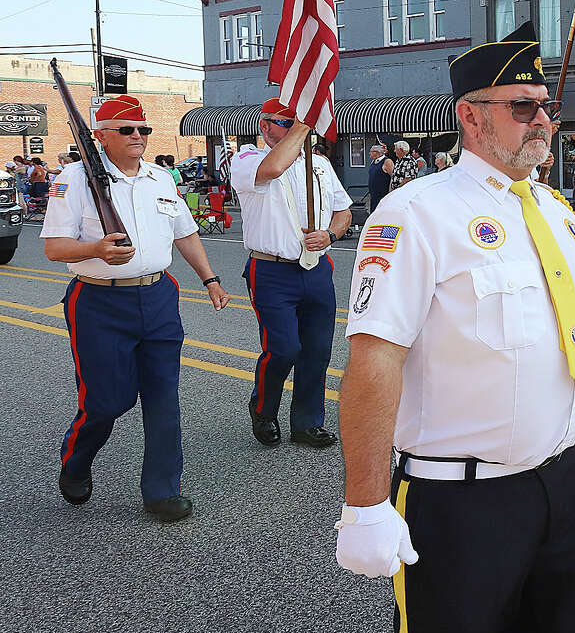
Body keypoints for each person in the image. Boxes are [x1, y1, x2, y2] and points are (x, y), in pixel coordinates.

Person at [335, 21, 575, 633]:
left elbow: (569, 327)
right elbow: (374, 359)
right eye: (521, 107)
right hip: (463, 502)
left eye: (544, 106)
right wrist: (366, 502)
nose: (543, 120)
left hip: (566, 483)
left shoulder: (555, 210)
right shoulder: (416, 213)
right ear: (471, 117)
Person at [40, 94, 230, 521]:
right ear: (100, 136)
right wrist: (96, 248)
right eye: (127, 130)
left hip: (159, 296)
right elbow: (54, 247)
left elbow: (185, 233)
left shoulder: (160, 178)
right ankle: (76, 461)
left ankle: (163, 491)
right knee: (107, 401)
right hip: (99, 301)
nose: (139, 137)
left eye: (143, 129)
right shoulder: (75, 179)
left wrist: (210, 279)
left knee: (163, 397)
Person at [230, 98, 352, 450]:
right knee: (283, 348)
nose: (295, 131)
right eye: (285, 124)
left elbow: (343, 211)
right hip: (272, 269)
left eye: (296, 125)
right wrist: (304, 122)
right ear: (265, 126)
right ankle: (264, 407)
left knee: (317, 352)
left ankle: (307, 423)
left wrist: (330, 234)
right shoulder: (248, 159)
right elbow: (271, 171)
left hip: (315, 268)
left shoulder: (320, 165)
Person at [367, 143, 391, 212]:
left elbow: (393, 177)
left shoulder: (387, 162)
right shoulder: (373, 161)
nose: (369, 153)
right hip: (374, 195)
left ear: (377, 152)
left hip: (383, 195)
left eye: (371, 151)